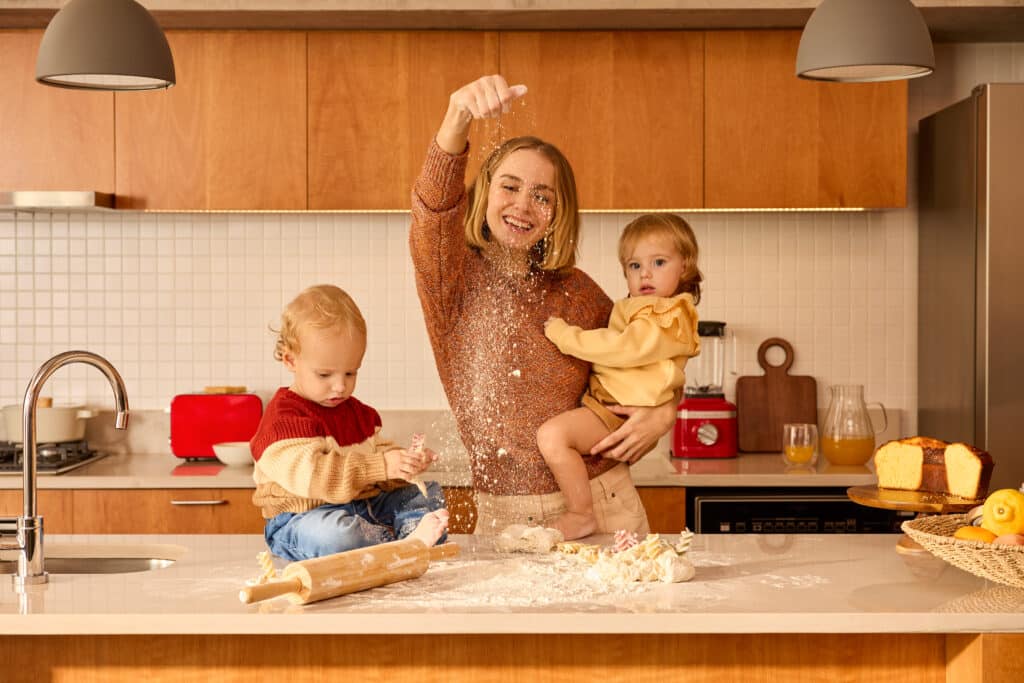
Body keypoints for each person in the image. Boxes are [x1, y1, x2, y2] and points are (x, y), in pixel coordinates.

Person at [409, 74, 678, 536]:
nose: (523, 206)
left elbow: (647, 357)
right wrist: (458, 116)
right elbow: (434, 210)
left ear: (559, 212)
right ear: (485, 193)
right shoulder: (451, 282)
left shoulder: (579, 291)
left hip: (606, 498)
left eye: (542, 196)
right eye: (510, 187)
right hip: (508, 513)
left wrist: (665, 412)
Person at [250, 284, 449, 561]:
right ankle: (398, 542)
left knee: (425, 494)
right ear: (291, 360)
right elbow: (318, 476)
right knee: (336, 536)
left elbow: (378, 458)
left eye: (350, 372)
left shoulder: (358, 414)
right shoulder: (284, 421)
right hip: (302, 517)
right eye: (324, 375)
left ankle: (407, 537)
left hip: (362, 507)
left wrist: (403, 464)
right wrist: (382, 465)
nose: (340, 387)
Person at [538, 214, 702, 539]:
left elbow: (623, 348)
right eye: (634, 266)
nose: (645, 274)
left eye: (658, 262)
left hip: (615, 410)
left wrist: (564, 335)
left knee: (553, 437)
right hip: (610, 403)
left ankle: (581, 513)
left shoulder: (668, 315)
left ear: (684, 266)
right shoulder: (645, 307)